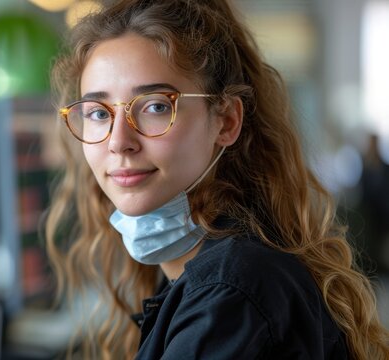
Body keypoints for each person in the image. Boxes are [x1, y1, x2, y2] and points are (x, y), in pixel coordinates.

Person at [43, 0, 389, 359]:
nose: (118, 142)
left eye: (156, 106)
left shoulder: (232, 291)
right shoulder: (207, 273)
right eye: (99, 113)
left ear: (226, 121)